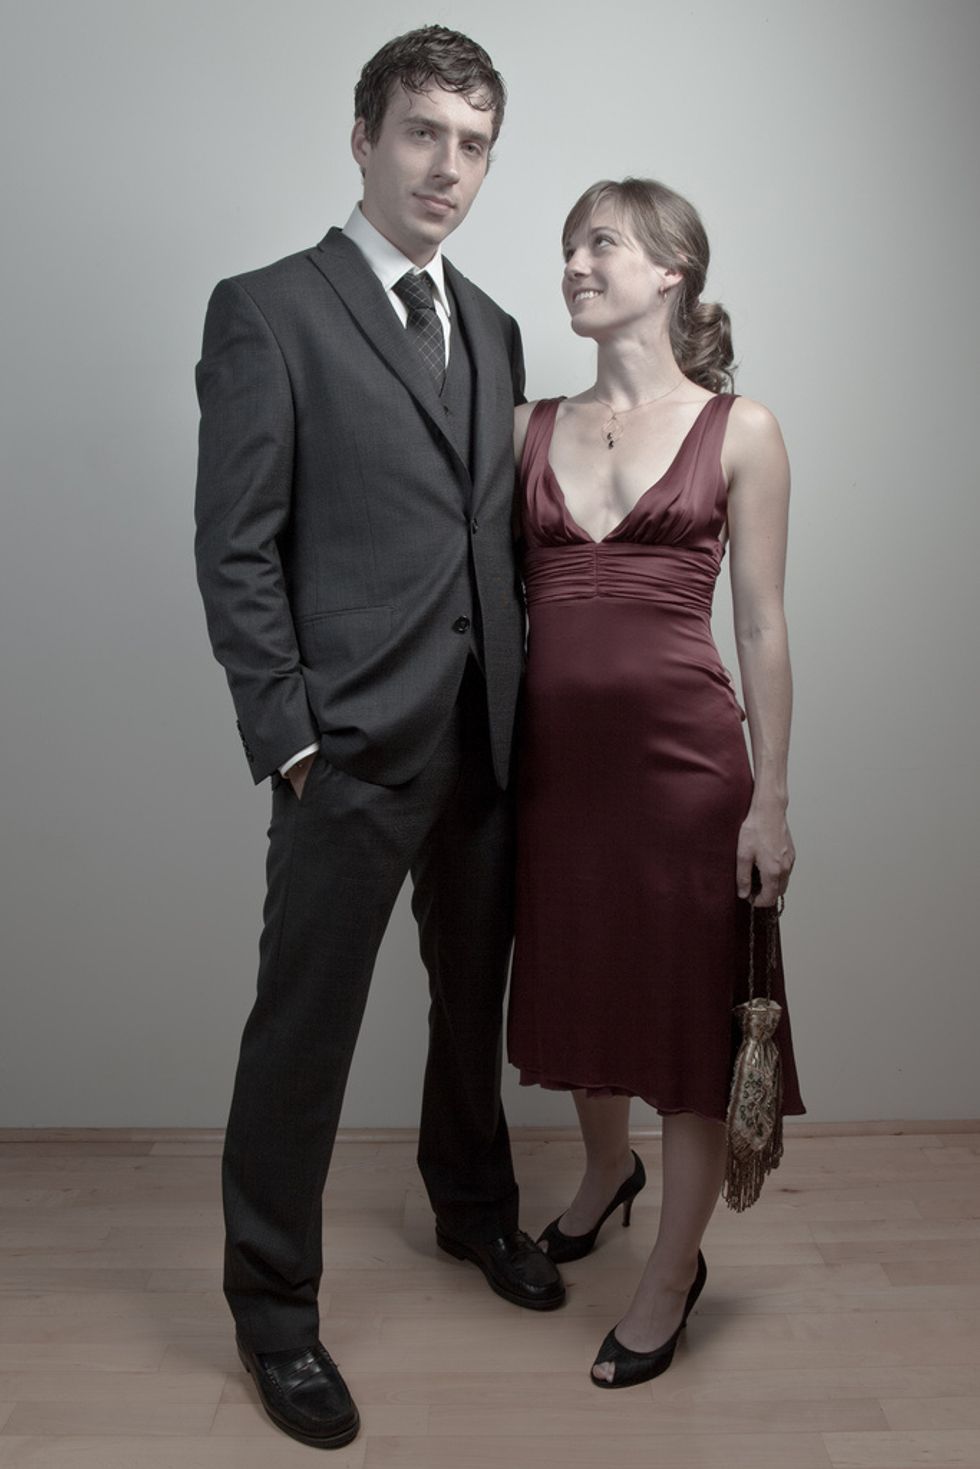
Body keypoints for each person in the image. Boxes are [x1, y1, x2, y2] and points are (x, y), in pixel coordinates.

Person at [194, 26, 563, 1452]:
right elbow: (237, 548)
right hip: (345, 747)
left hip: (483, 735)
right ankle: (274, 1311)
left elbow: (491, 535)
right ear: (363, 137)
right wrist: (289, 738)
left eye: (472, 145)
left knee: (470, 1005)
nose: (446, 167)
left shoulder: (497, 326)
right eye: (421, 133)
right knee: (304, 1033)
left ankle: (471, 1205)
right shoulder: (267, 310)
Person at [507, 177, 805, 1388]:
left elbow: (762, 625)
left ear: (669, 269)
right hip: (554, 778)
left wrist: (769, 798)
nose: (573, 264)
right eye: (567, 247)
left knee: (683, 1027)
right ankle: (602, 1171)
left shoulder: (741, 428)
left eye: (600, 244)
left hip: (687, 777)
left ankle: (671, 1273)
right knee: (579, 993)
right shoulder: (521, 427)